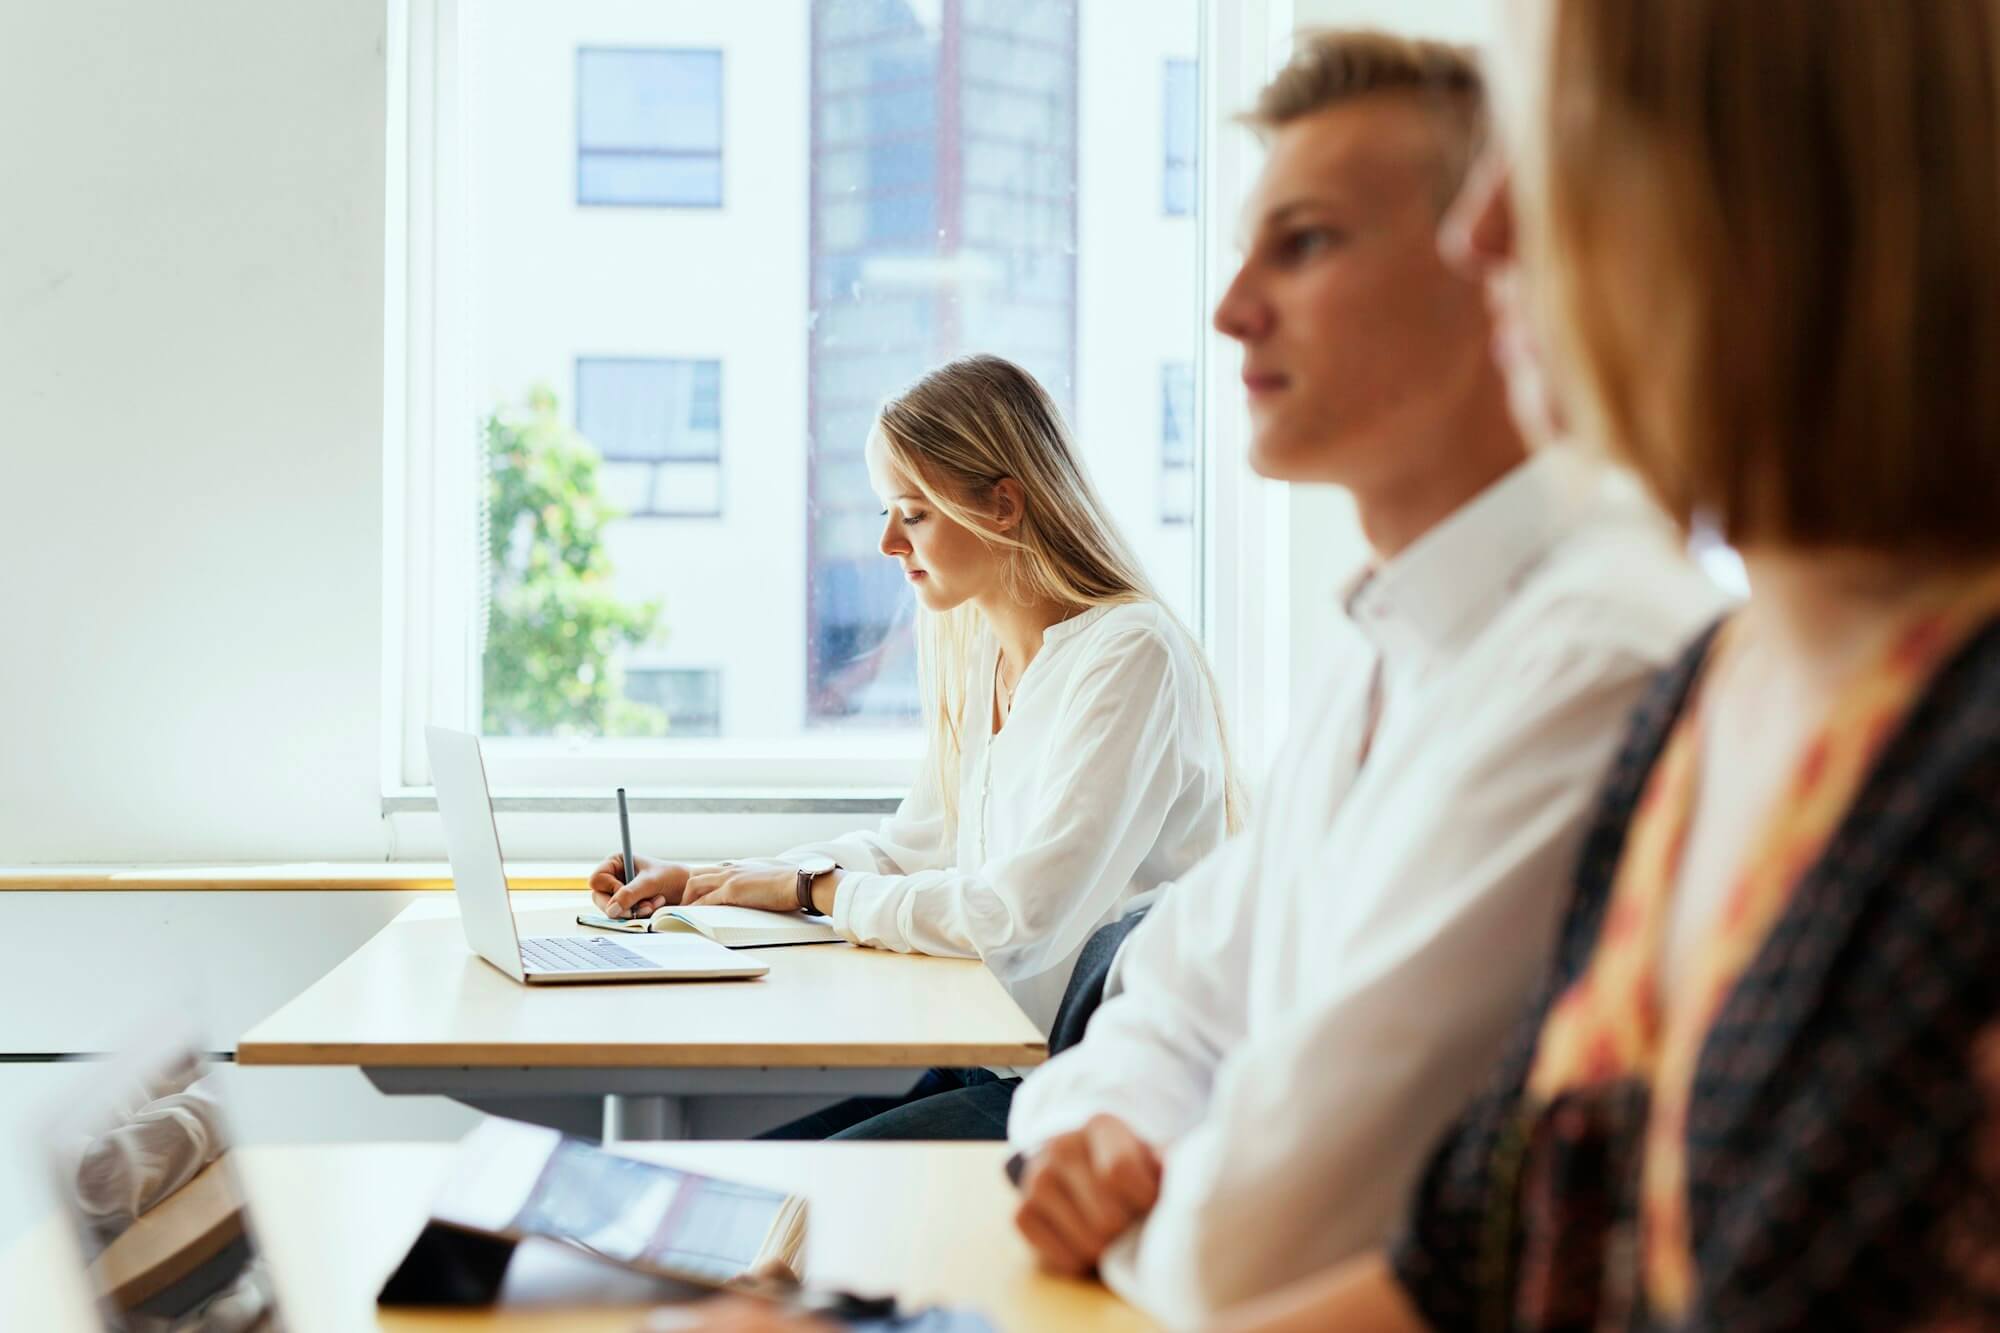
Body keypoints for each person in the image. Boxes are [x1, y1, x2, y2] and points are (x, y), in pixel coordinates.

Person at [1217, 3, 2000, 1330]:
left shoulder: (1967, 771)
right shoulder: (1705, 696)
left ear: (1777, 191)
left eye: (1554, 147)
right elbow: (1453, 1274)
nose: (1489, 235)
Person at [1001, 29, 1725, 1325]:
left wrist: (1145, 1196)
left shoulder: (1606, 655)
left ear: (1498, 266)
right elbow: (1163, 999)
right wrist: (1098, 1134)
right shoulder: (1379, 645)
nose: (1231, 308)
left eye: (1308, 242)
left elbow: (1263, 1253)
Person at [592, 353, 1241, 1140]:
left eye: (914, 512)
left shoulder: (1131, 654)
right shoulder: (985, 654)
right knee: (739, 1175)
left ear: (1003, 506)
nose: (888, 544)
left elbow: (1012, 916)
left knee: (774, 1199)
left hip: (1088, 1092)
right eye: (884, 513)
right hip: (1001, 1061)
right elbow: (912, 849)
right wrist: (705, 881)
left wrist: (813, 889)